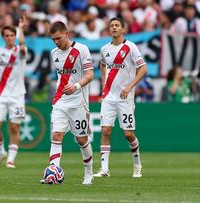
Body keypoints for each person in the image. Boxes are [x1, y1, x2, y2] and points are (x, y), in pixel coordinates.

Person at [40, 21, 94, 185]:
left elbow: (90, 74)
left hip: (78, 102)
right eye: (53, 39)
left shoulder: (81, 50)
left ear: (66, 34)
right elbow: (61, 76)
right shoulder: (54, 53)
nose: (56, 42)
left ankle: (89, 173)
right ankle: (52, 174)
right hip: (60, 102)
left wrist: (76, 86)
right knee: (56, 136)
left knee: (82, 140)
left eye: (58, 38)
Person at [94, 17, 147, 178]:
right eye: (112, 26)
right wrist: (104, 83)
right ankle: (104, 169)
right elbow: (102, 64)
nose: (114, 28)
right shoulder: (105, 49)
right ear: (109, 30)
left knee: (128, 134)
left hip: (125, 98)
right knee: (105, 131)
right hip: (109, 97)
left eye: (117, 25)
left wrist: (130, 86)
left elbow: (143, 68)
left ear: (123, 29)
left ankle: (137, 164)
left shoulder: (130, 47)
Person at [0, 16, 27, 169]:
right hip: (1, 94)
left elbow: (22, 47)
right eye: (7, 36)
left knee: (14, 128)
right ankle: (0, 152)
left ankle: (10, 159)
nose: (10, 38)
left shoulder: (20, 51)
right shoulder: (0, 51)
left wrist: (21, 28)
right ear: (3, 38)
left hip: (17, 95)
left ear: (15, 37)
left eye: (12, 35)